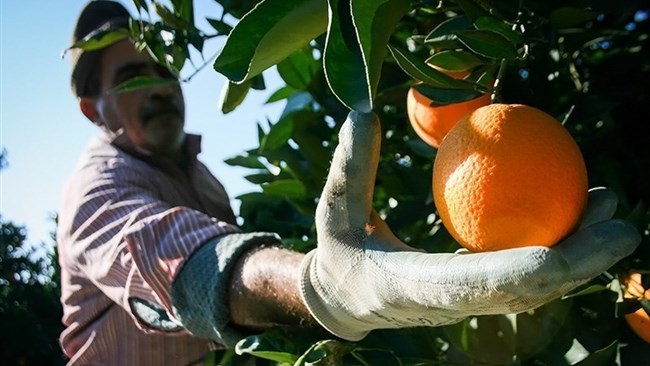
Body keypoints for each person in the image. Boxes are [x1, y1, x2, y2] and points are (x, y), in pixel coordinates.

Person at [57, 1, 641, 365]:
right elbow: (189, 268)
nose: (160, 87)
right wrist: (319, 285)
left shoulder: (199, 176)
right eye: (133, 77)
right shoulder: (94, 191)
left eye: (163, 69)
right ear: (92, 108)